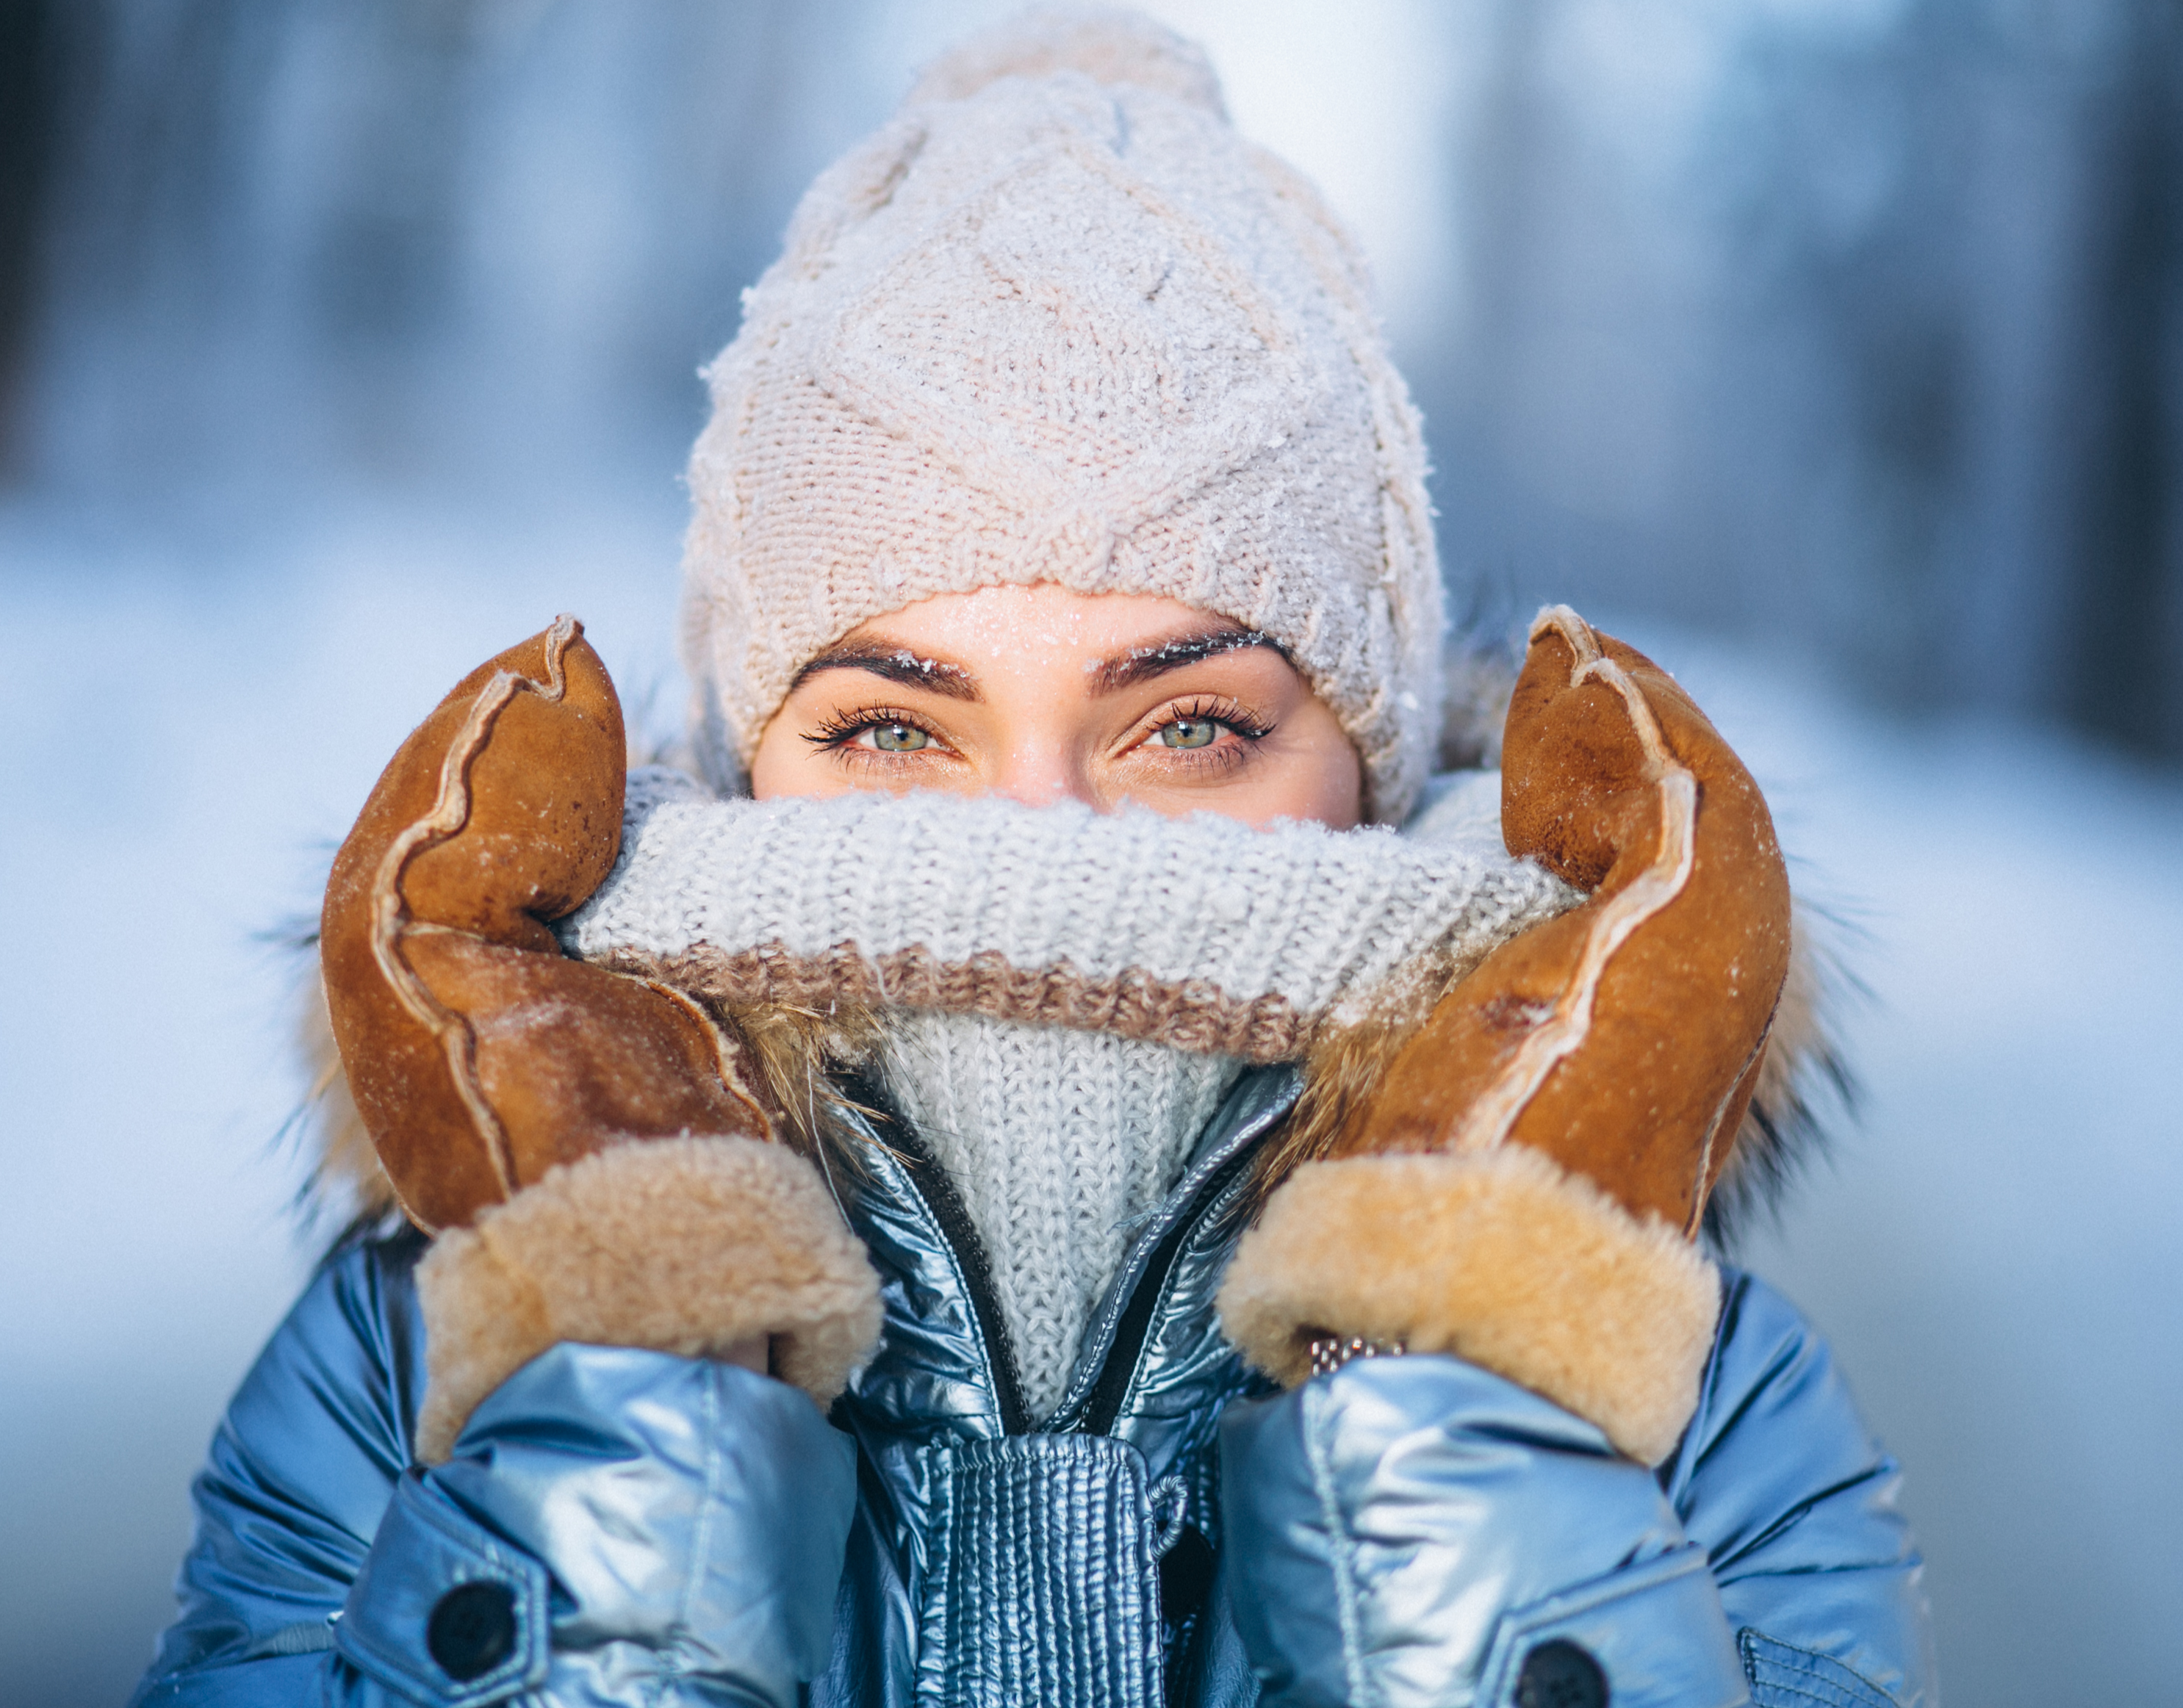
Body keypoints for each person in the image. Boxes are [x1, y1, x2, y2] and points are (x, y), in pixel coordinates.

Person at [132, 13, 1935, 1707]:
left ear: (1373, 764)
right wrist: (625, 1425)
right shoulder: (439, 1353)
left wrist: (1468, 1420)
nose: (1039, 842)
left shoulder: (1679, 1394)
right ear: (747, 752)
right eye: (899, 728)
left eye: (1194, 725)